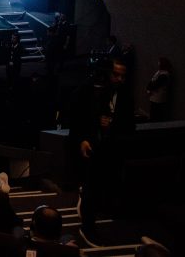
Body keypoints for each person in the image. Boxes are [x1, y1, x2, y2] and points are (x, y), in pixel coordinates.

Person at [69, 58, 135, 247]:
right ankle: (87, 228)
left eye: (123, 75)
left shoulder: (125, 96)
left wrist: (112, 125)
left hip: (112, 150)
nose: (120, 79)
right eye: (116, 74)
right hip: (92, 148)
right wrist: (83, 139)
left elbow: (130, 126)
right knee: (92, 188)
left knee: (102, 188)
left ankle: (89, 208)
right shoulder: (89, 91)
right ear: (108, 73)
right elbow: (76, 117)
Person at [146, 57, 172, 122]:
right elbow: (152, 81)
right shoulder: (160, 72)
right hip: (155, 96)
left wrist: (149, 88)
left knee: (156, 113)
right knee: (154, 111)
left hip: (158, 97)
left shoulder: (164, 75)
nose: (158, 63)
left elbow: (156, 84)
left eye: (159, 62)